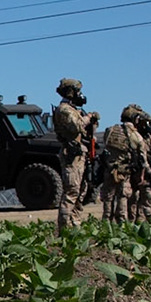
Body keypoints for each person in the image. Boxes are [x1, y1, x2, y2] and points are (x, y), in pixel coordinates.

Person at [50, 77, 98, 231]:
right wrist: (88, 117)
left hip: (79, 152)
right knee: (71, 191)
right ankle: (64, 229)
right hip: (71, 153)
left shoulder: (74, 109)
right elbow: (76, 126)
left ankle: (75, 224)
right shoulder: (64, 109)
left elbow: (85, 132)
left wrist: (92, 124)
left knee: (81, 191)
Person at [100, 105, 145, 222]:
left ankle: (106, 223)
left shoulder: (110, 130)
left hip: (110, 169)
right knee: (123, 197)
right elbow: (142, 159)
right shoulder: (136, 136)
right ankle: (122, 223)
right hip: (124, 172)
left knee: (108, 198)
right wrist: (141, 175)